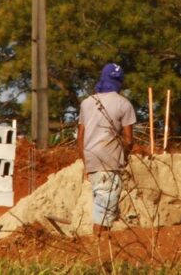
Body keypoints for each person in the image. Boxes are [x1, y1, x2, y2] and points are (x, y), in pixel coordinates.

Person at [77, 63, 136, 235]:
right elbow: (129, 140)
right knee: (104, 214)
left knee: (101, 205)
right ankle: (98, 248)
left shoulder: (87, 103)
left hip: (91, 161)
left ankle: (100, 247)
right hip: (109, 162)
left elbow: (80, 137)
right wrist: (123, 158)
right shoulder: (124, 104)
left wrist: (86, 163)